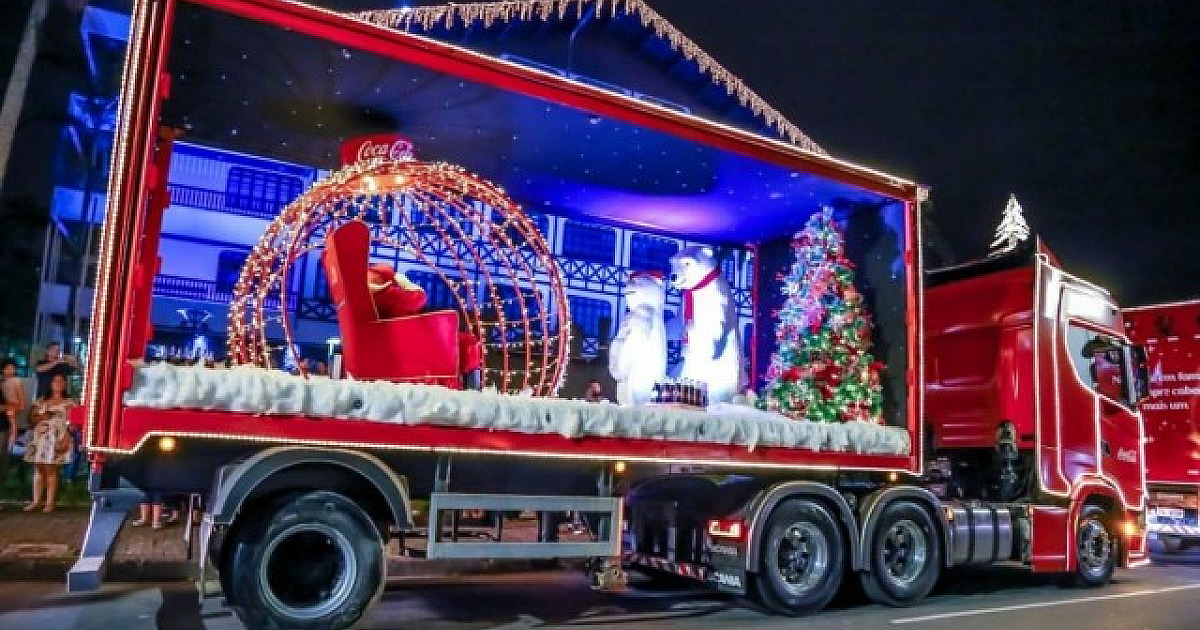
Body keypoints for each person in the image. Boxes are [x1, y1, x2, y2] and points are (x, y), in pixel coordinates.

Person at [23, 373, 75, 513]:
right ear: (50, 384)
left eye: (61, 381)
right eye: (56, 381)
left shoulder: (69, 402)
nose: (59, 383)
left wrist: (67, 438)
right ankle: (36, 501)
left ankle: (50, 502)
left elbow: (74, 424)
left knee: (51, 469)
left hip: (57, 438)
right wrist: (41, 417)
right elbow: (31, 419)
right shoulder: (40, 401)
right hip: (40, 437)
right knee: (39, 468)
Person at [0, 358, 26, 488]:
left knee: (6, 450)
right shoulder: (2, 382)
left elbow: (21, 404)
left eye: (13, 368)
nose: (11, 370)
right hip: (6, 415)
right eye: (7, 368)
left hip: (9, 415)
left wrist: (11, 408)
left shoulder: (16, 381)